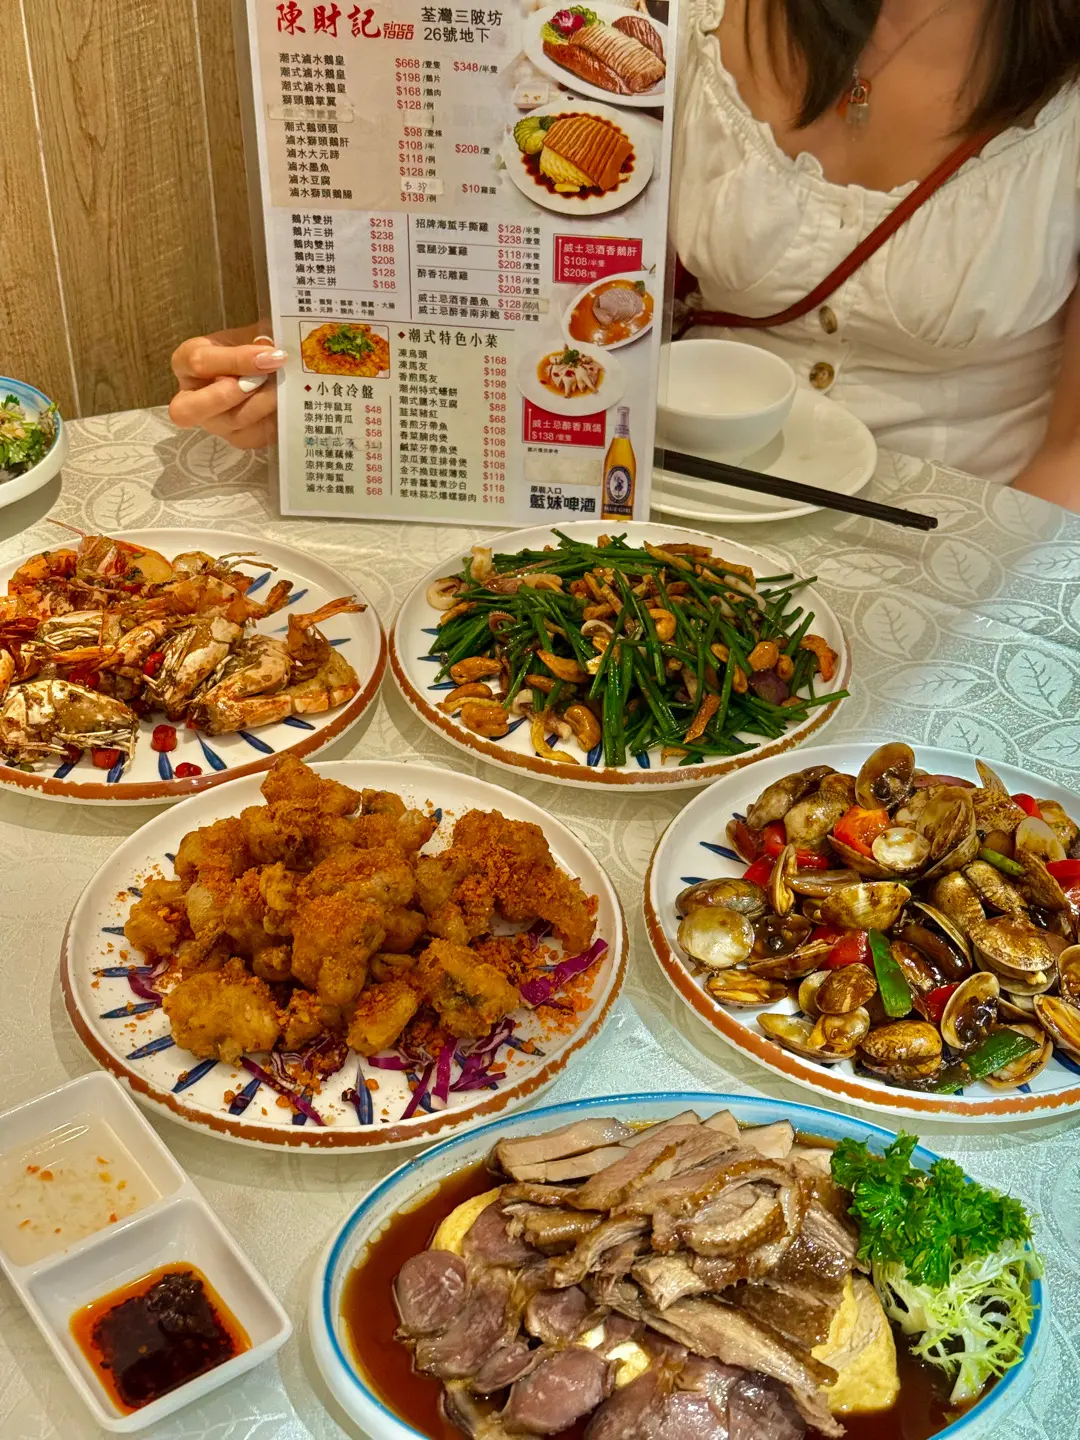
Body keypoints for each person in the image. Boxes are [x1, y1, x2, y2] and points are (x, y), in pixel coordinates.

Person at [169, 0, 1080, 510]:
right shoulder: (660, 21)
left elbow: (1073, 452)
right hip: (667, 497)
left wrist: (988, 604)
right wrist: (318, 375)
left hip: (959, 526)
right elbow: (496, 271)